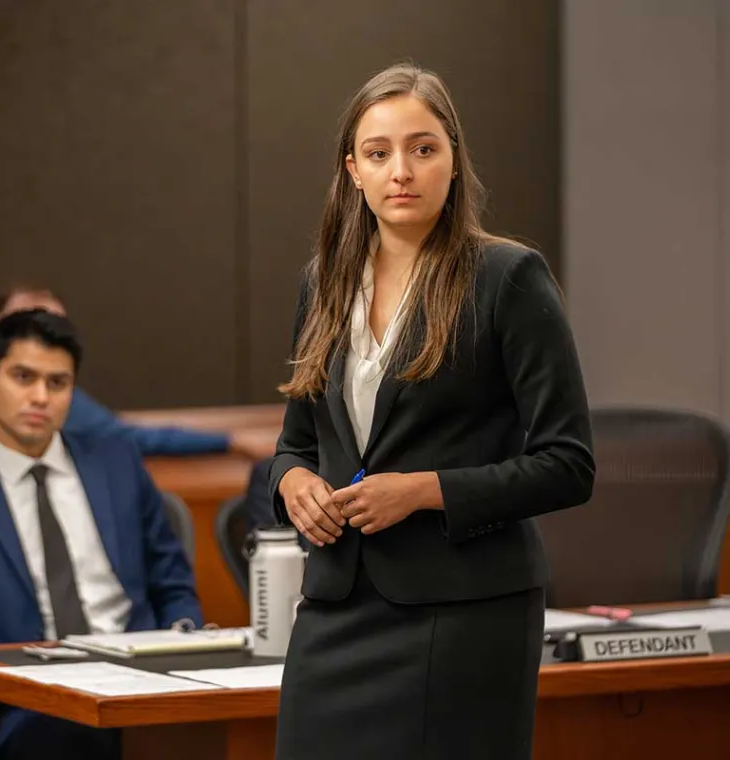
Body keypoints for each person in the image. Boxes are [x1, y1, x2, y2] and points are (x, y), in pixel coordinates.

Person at [268, 63, 595, 759]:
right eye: (379, 153)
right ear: (352, 170)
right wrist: (293, 485)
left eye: (423, 149)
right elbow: (297, 444)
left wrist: (423, 492)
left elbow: (568, 465)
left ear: (453, 159)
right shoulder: (323, 284)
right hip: (336, 608)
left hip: (467, 614)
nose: (401, 171)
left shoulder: (507, 278)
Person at [0, 309, 202, 760]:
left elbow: (174, 586)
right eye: (23, 377)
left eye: (57, 383)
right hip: (29, 702)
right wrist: (55, 670)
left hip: (142, 683)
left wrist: (182, 643)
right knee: (68, 732)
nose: (39, 397)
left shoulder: (118, 465)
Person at [0, 284, 275, 482]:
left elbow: (136, 438)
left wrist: (230, 440)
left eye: (53, 329)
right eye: (23, 377)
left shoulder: (73, 405)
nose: (40, 397)